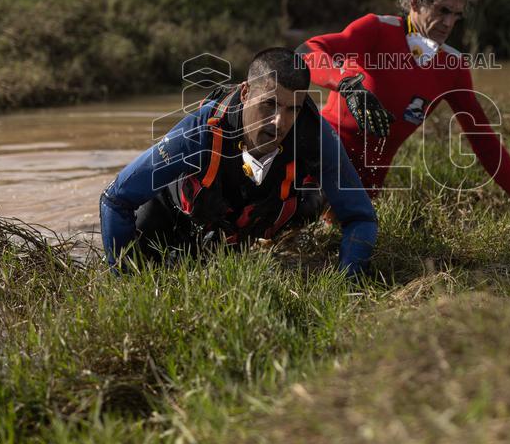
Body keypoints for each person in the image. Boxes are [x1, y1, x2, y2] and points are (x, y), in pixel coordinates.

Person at [99, 47, 378, 276]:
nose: (279, 122)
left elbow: (361, 217)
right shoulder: (200, 131)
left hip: (246, 220)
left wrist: (349, 282)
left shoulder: (316, 137)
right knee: (150, 257)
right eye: (269, 104)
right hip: (175, 213)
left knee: (309, 203)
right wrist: (124, 278)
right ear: (246, 94)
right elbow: (116, 199)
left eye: (292, 109)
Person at [298, 0, 510, 208]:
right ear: (415, 1)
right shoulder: (377, 30)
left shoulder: (452, 66)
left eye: (457, 15)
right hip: (322, 150)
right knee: (305, 209)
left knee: (349, 233)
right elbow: (306, 52)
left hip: (368, 178)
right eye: (442, 10)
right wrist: (346, 83)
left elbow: (483, 138)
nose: (449, 23)